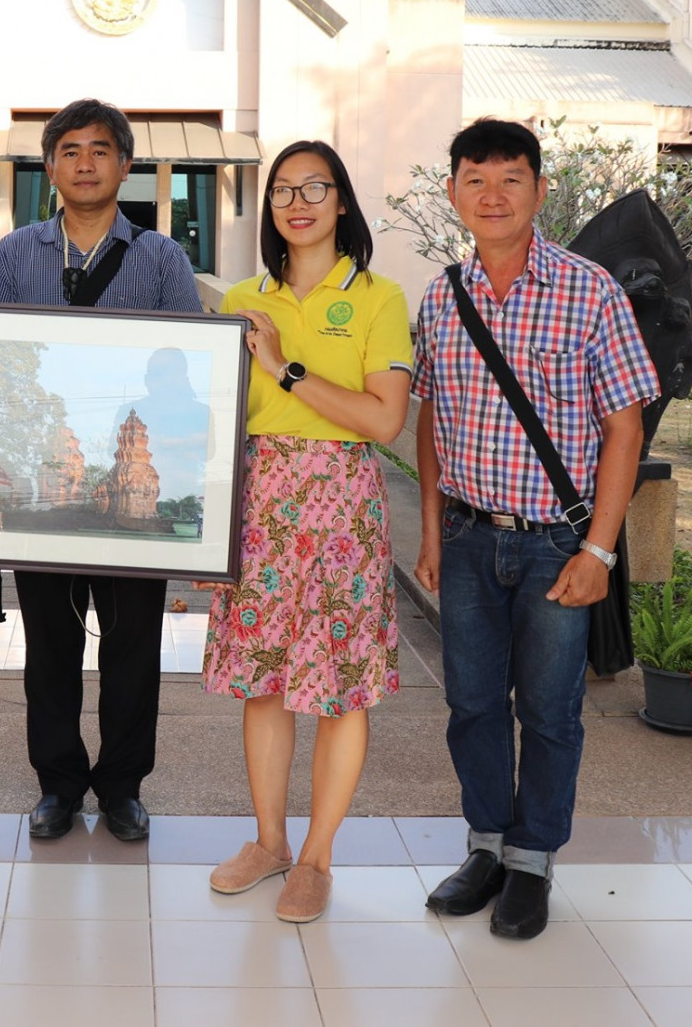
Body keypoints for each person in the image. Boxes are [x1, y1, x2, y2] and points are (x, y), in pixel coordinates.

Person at [412, 118, 659, 939]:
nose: (491, 194)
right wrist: (431, 529)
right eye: (474, 178)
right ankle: (485, 846)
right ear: (451, 193)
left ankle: (532, 863)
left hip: (557, 541)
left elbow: (624, 428)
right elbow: (430, 416)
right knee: (473, 705)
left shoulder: (590, 290)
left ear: (538, 191)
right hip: (470, 537)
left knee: (550, 714)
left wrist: (598, 549)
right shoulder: (441, 296)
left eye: (509, 178)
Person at [0, 98, 203, 841]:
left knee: (134, 650)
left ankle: (124, 787)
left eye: (100, 150)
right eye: (69, 150)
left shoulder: (161, 258)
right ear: (50, 165)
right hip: (49, 478)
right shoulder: (13, 255)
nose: (85, 163)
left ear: (124, 165)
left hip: (127, 481)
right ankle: (59, 786)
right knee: (50, 649)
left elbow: (187, 374)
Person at [201, 141, 411, 923]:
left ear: (342, 202)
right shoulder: (240, 300)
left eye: (314, 187)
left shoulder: (377, 298)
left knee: (337, 688)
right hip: (258, 504)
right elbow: (220, 423)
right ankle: (267, 841)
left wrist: (287, 368)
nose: (297, 202)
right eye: (283, 190)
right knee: (262, 680)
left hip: (339, 508)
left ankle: (317, 858)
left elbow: (383, 420)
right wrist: (205, 533)